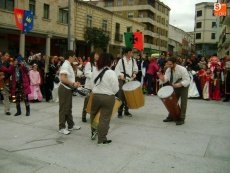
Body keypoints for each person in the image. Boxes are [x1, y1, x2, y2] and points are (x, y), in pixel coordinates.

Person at [90, 53, 119, 144]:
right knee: (104, 118)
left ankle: (93, 131)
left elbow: (92, 84)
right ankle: (102, 138)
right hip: (108, 97)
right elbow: (116, 88)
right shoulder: (111, 72)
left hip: (95, 95)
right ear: (109, 61)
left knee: (93, 114)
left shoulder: (95, 70)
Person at [158, 57, 190, 125]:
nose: (169, 66)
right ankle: (171, 116)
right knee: (173, 101)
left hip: (183, 86)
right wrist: (162, 78)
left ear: (175, 63)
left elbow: (187, 80)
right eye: (168, 64)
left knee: (183, 102)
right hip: (175, 85)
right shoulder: (168, 69)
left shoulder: (182, 69)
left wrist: (179, 84)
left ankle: (182, 118)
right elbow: (166, 78)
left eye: (170, 64)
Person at [58, 50, 81, 135]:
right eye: (74, 56)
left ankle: (71, 125)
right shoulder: (65, 65)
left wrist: (75, 84)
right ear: (70, 57)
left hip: (68, 89)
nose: (75, 58)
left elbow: (69, 78)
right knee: (63, 109)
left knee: (68, 108)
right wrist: (73, 83)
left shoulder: (68, 65)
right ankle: (61, 127)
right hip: (64, 89)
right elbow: (63, 78)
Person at [115, 47, 138, 118]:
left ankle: (126, 111)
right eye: (131, 52)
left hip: (130, 80)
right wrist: (120, 76)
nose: (132, 53)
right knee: (121, 95)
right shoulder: (121, 60)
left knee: (128, 96)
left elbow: (135, 69)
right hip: (122, 79)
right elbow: (116, 70)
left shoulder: (133, 60)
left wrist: (134, 73)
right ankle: (119, 112)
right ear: (127, 53)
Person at [81, 51, 99, 122]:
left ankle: (93, 115)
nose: (97, 56)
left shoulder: (98, 64)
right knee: (87, 101)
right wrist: (95, 74)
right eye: (96, 55)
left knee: (94, 102)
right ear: (92, 56)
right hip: (89, 86)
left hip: (95, 86)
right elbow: (86, 73)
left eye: (98, 55)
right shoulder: (89, 63)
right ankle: (84, 115)